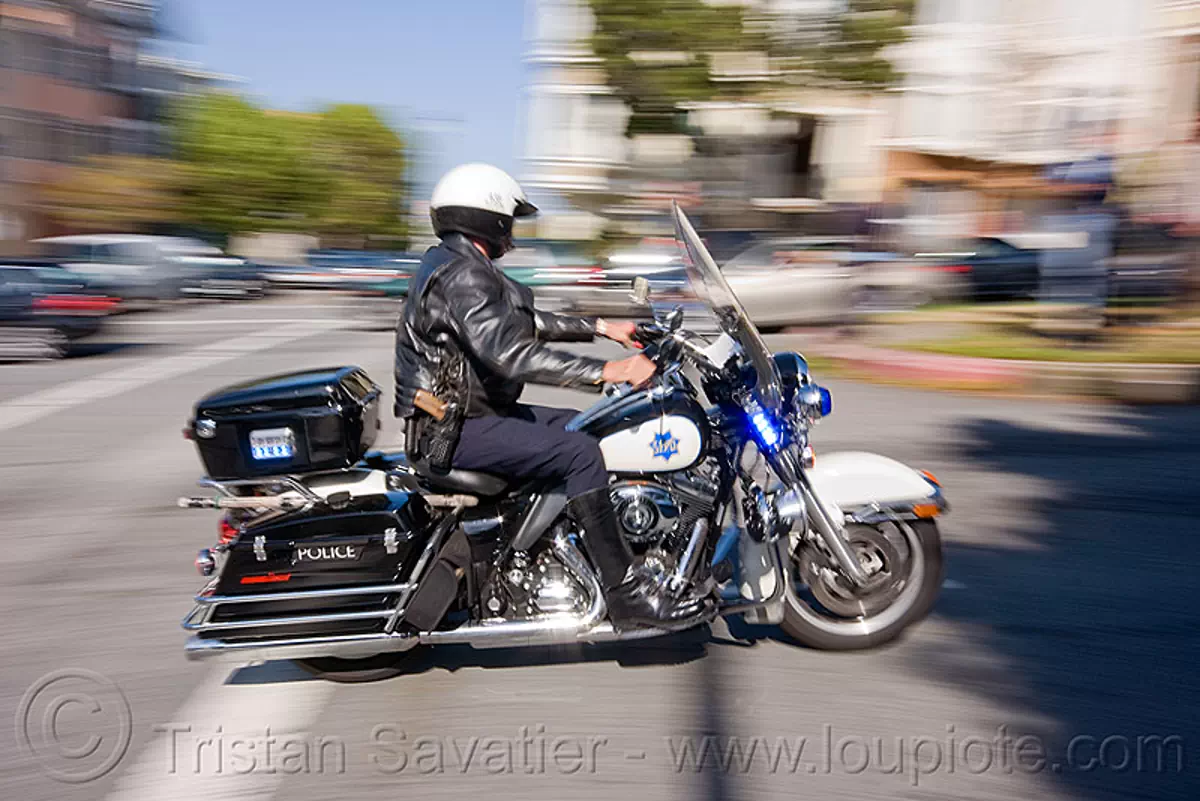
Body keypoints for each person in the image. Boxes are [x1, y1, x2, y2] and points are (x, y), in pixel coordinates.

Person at [394, 163, 711, 630]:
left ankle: (572, 545)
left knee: (582, 426)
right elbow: (512, 354)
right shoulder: (463, 275)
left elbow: (525, 322)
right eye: (510, 221)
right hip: (455, 432)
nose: (513, 234)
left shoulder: (457, 264)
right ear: (489, 219)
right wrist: (608, 370)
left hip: (465, 417)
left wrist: (604, 328)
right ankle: (627, 595)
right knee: (582, 454)